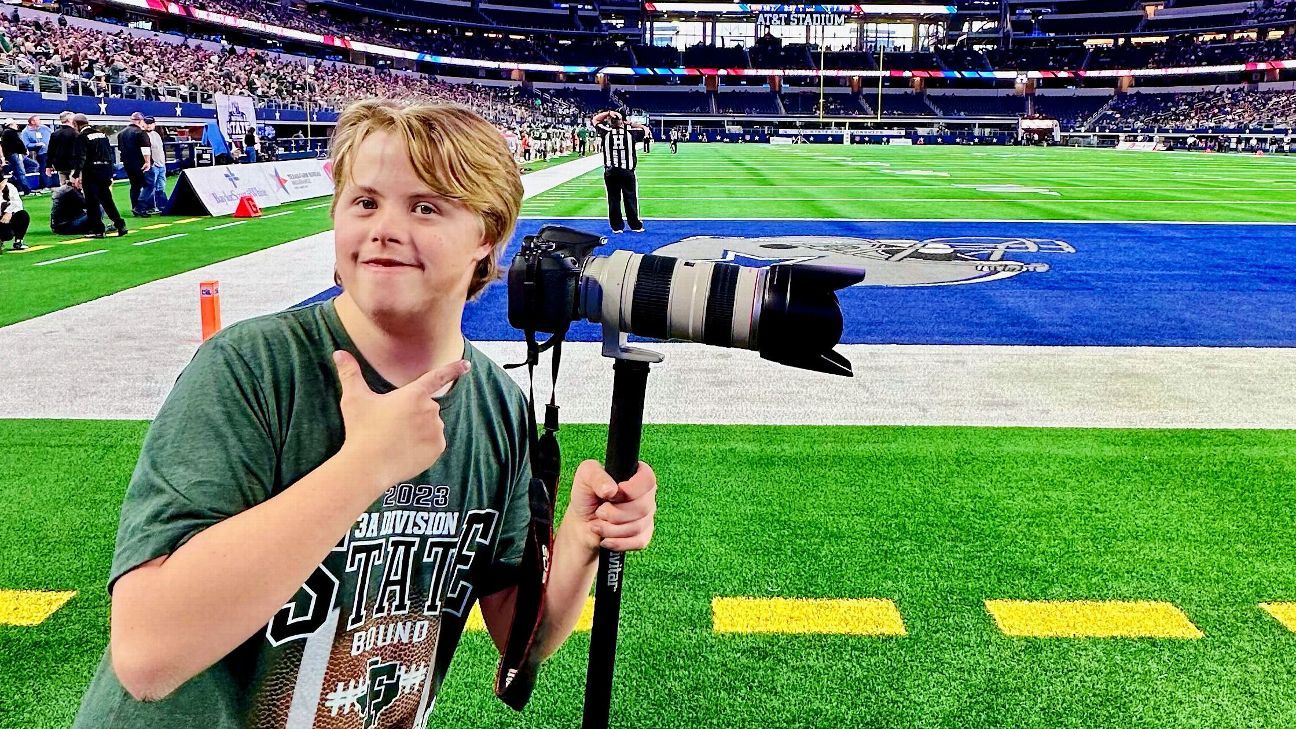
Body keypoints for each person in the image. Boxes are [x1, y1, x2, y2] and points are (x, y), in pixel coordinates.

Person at [70, 100, 657, 727]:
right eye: (365, 202)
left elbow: (523, 637)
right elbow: (148, 654)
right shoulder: (252, 367)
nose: (384, 228)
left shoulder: (494, 402)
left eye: (426, 206)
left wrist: (580, 540)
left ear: (487, 234)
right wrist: (365, 467)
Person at [70, 113, 127, 239]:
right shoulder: (102, 135)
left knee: (92, 202)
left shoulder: (82, 137)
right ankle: (120, 224)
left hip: (91, 170)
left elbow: (82, 157)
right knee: (107, 200)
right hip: (105, 169)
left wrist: (75, 175)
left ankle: (98, 230)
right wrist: (110, 172)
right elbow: (109, 154)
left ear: (76, 124)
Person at [592, 109, 647, 234]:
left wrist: (608, 113)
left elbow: (595, 120)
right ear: (622, 121)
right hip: (627, 171)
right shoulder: (630, 132)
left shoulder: (606, 132)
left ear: (610, 122)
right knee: (630, 198)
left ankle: (617, 227)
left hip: (611, 172)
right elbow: (644, 128)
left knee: (613, 199)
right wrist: (629, 123)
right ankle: (635, 225)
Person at [118, 112, 153, 217]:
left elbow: (120, 149)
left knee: (134, 186)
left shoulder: (121, 133)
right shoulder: (140, 132)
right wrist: (147, 162)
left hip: (128, 164)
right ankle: (140, 207)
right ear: (140, 121)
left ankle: (134, 207)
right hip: (140, 164)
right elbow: (145, 149)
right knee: (149, 185)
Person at [21, 115, 54, 192]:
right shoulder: (25, 132)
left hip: (52, 151)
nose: (40, 121)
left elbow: (53, 135)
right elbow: (26, 145)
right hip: (42, 153)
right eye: (38, 120)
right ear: (32, 122)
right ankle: (46, 186)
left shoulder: (45, 128)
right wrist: (35, 145)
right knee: (44, 168)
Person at [0, 171, 30, 251]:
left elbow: (18, 204)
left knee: (23, 215)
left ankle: (18, 241)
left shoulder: (10, 187)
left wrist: (9, 212)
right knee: (6, 234)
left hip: (6, 221)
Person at [47, 111, 78, 186]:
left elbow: (50, 151)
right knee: (75, 186)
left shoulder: (55, 134)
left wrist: (48, 166)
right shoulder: (76, 133)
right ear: (70, 120)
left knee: (63, 187)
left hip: (60, 165)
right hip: (74, 164)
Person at [1, 118, 31, 196]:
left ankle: (19, 188)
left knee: (16, 172)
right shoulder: (11, 132)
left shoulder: (5, 133)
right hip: (15, 154)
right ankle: (26, 190)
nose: (16, 125)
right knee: (21, 172)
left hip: (10, 155)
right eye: (15, 124)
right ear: (11, 125)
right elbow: (18, 143)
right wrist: (24, 151)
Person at [143, 116, 167, 214]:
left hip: (161, 164)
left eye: (150, 123)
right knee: (150, 187)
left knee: (161, 186)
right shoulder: (143, 135)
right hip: (153, 165)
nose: (148, 125)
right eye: (147, 123)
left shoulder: (156, 134)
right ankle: (150, 207)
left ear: (154, 124)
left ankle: (162, 206)